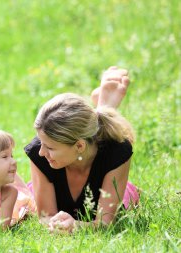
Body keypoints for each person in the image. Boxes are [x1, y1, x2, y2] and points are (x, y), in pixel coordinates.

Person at [22, 66, 140, 233]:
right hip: (51, 192)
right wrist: (55, 224)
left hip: (108, 187)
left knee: (127, 200)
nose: (41, 152)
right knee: (26, 202)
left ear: (79, 146)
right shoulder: (39, 153)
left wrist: (75, 226)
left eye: (49, 147)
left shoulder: (117, 151)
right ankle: (103, 106)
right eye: (40, 142)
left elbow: (105, 223)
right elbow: (45, 216)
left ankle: (104, 107)